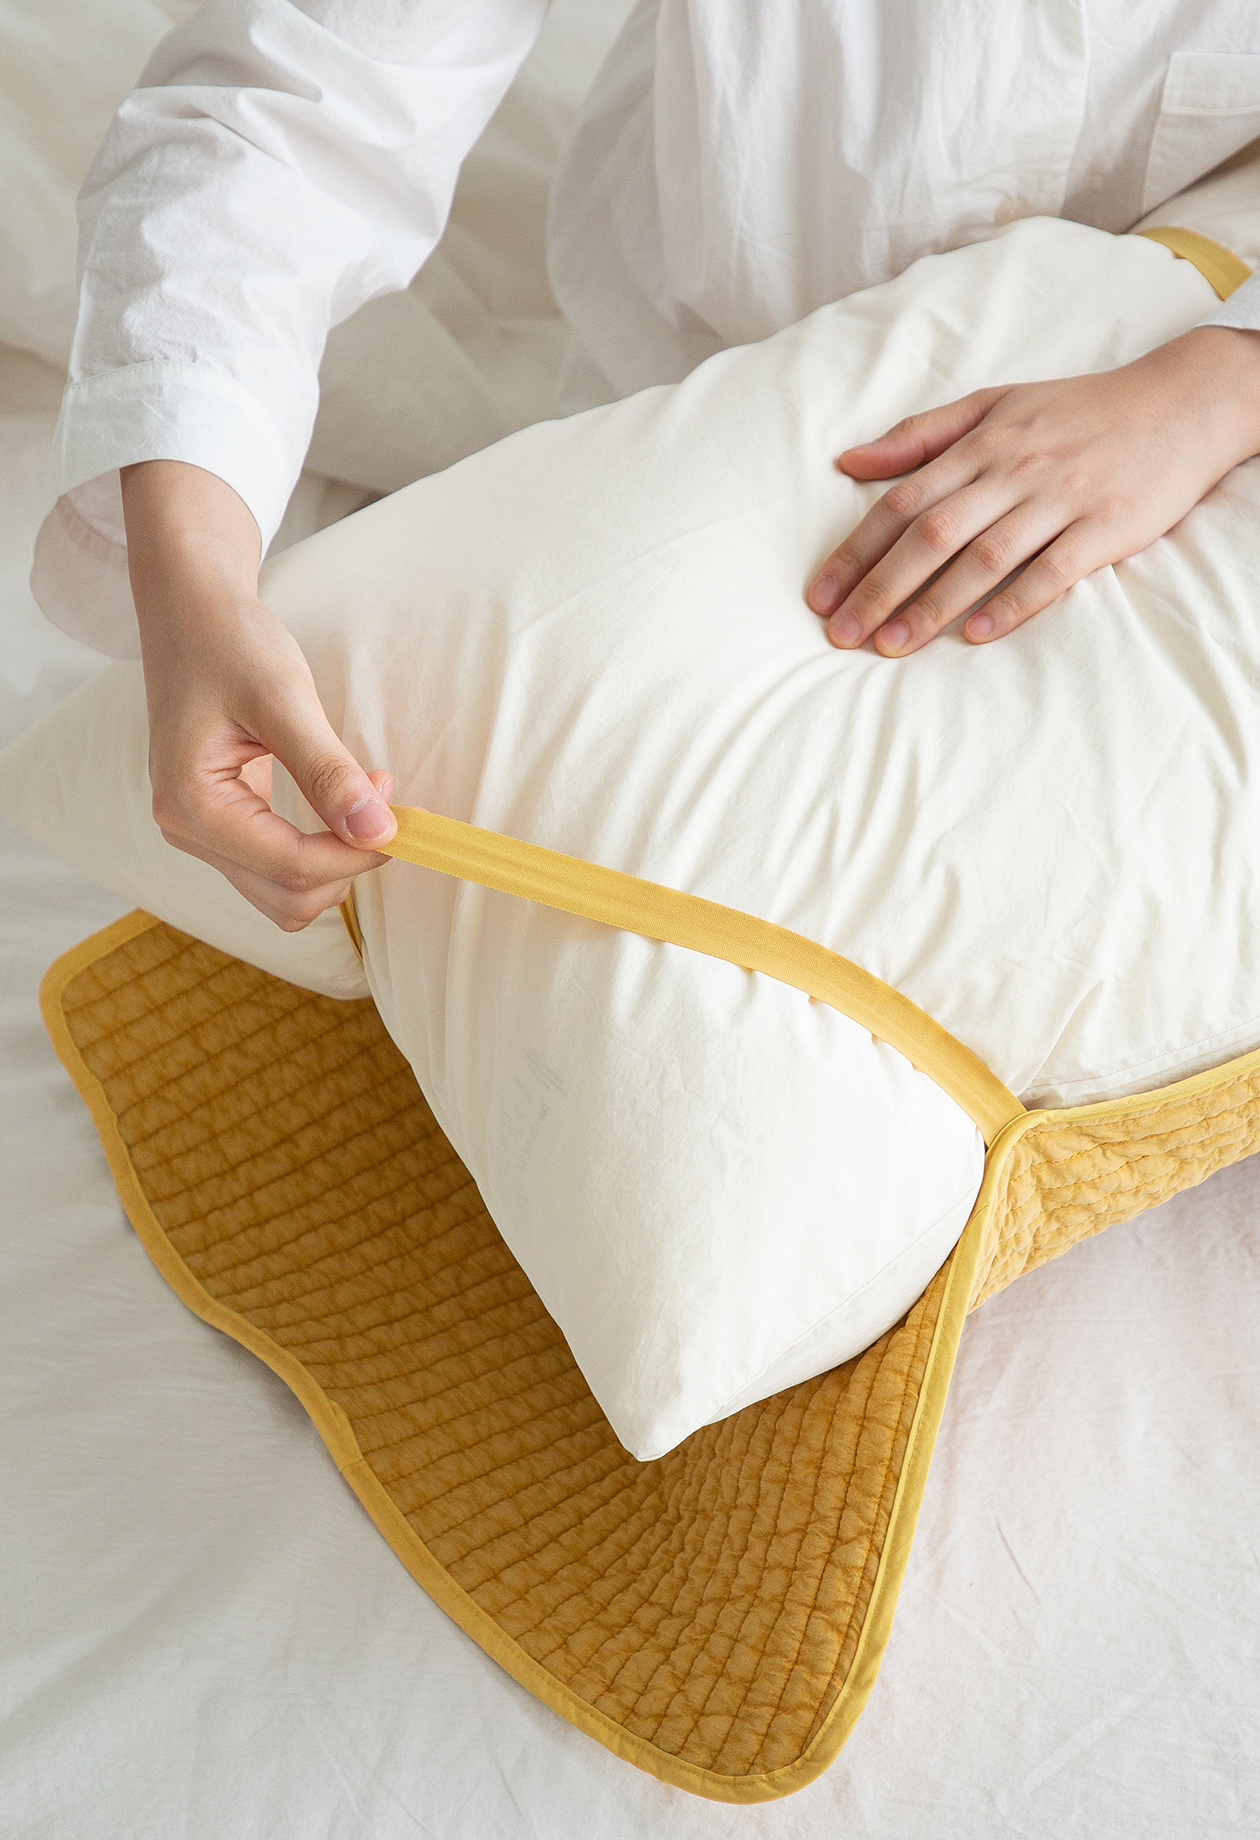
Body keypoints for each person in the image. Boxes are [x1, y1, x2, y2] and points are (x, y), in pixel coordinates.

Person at [36, 0, 1260, 931]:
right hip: (704, 412)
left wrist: (1206, 391)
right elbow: (299, 101)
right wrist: (194, 577)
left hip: (1204, 390)